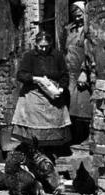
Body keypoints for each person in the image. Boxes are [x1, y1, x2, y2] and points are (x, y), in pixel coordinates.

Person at [11, 31, 71, 159]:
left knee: (54, 120)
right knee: (33, 121)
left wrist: (60, 89)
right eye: (41, 46)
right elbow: (20, 75)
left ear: (50, 45)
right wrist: (36, 79)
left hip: (52, 93)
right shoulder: (29, 56)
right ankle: (33, 149)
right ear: (36, 44)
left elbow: (65, 75)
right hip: (34, 92)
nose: (43, 49)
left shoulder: (57, 56)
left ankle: (50, 149)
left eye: (46, 46)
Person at [64, 1, 95, 146]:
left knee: (84, 104)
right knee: (71, 105)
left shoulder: (88, 31)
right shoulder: (71, 31)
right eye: (75, 16)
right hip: (70, 71)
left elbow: (88, 51)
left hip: (81, 71)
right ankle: (75, 137)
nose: (77, 18)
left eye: (80, 15)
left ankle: (88, 136)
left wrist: (84, 71)